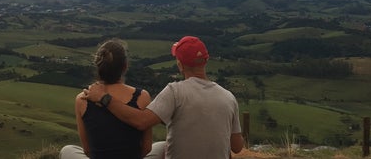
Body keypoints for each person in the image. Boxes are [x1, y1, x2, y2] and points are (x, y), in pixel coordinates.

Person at [84, 35, 243, 159]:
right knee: (161, 146)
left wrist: (105, 98)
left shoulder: (175, 91)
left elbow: (141, 121)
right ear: (206, 61)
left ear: (179, 64)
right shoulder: (228, 97)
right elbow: (237, 146)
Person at [60, 38, 153, 159]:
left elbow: (87, 150)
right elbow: (147, 149)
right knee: (161, 146)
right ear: (125, 66)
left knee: (67, 150)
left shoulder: (82, 99)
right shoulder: (142, 96)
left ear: (98, 66)